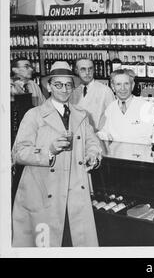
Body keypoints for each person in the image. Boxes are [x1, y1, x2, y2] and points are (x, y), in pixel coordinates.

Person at [12, 61, 102, 247]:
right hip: (43, 193)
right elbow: (19, 152)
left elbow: (93, 142)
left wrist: (92, 155)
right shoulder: (34, 115)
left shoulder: (81, 114)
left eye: (68, 85)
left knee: (73, 242)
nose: (64, 89)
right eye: (58, 84)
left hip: (74, 194)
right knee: (44, 245)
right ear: (49, 86)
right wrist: (49, 151)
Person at [97, 69, 154, 144]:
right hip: (116, 154)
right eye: (118, 84)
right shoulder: (110, 108)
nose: (123, 88)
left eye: (126, 84)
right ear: (113, 87)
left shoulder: (146, 106)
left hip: (140, 153)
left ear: (132, 85)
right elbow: (104, 133)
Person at [69, 57, 115, 131]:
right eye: (83, 69)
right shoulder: (73, 92)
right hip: (79, 136)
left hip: (99, 137)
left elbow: (114, 117)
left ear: (94, 70)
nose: (87, 73)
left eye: (90, 69)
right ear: (76, 71)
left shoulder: (105, 91)